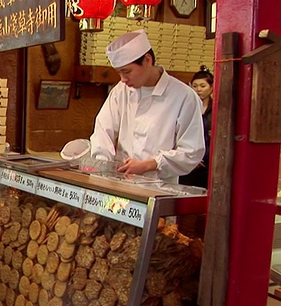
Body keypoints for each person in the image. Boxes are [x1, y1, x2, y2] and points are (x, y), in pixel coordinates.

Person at [89, 29, 205, 183]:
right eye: (119, 73)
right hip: (120, 184)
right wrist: (103, 166)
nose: (123, 79)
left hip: (159, 188)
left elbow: (191, 153)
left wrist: (150, 164)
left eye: (127, 71)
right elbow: (103, 131)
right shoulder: (121, 91)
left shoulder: (184, 96)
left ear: (147, 60)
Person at [180, 66, 214, 188]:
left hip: (209, 164)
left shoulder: (218, 110)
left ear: (212, 87)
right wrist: (192, 159)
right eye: (195, 86)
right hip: (187, 164)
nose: (198, 89)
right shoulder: (185, 108)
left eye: (203, 86)